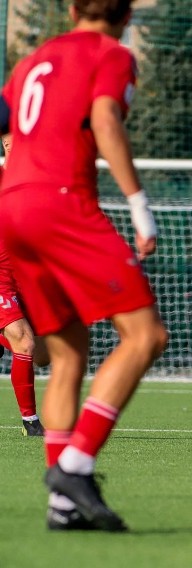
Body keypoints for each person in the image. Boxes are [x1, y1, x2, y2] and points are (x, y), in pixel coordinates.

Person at [0, 0, 169, 531]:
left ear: (72, 9)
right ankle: (74, 467)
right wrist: (140, 205)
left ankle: (63, 507)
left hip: (12, 209)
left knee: (69, 351)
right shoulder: (111, 53)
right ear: (125, 13)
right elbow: (104, 121)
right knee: (145, 336)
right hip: (61, 202)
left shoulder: (33, 60)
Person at [0, 134, 49, 436]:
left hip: (26, 280)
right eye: (6, 144)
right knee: (24, 340)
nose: (11, 147)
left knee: (42, 354)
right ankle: (31, 423)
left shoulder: (43, 184)